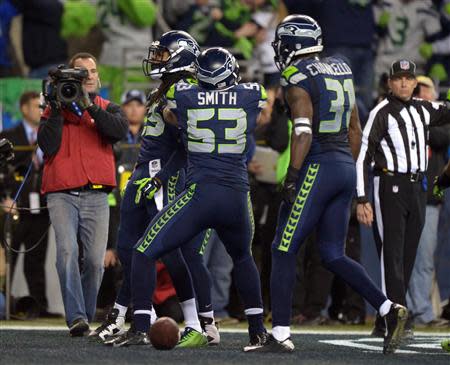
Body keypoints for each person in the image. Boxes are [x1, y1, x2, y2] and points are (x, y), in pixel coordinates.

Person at [248, 15, 408, 355]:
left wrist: (293, 176)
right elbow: (355, 130)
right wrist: (345, 171)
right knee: (333, 253)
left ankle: (279, 334)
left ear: (293, 44)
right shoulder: (341, 68)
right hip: (344, 166)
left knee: (282, 248)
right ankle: (387, 309)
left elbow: (303, 132)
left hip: (318, 164)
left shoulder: (296, 76)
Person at [118, 47, 268, 351]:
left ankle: (141, 328)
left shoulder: (184, 95)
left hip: (200, 194)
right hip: (237, 195)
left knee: (145, 251)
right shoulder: (252, 93)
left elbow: (170, 114)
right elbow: (262, 112)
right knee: (243, 258)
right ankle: (257, 331)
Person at [91, 31, 217, 348]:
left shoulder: (183, 90)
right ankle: (120, 316)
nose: (156, 59)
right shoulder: (166, 89)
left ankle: (192, 322)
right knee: (130, 251)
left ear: (180, 55)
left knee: (168, 255)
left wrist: (161, 178)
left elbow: (187, 145)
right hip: (142, 176)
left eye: (162, 54)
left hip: (159, 179)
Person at [356, 60, 450, 337]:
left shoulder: (423, 108)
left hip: (417, 188)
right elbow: (363, 156)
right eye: (399, 79)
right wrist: (362, 198)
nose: (405, 83)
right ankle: (394, 317)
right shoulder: (380, 113)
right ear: (390, 83)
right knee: (391, 254)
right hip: (389, 185)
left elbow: (447, 110)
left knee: (407, 254)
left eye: (409, 79)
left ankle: (385, 315)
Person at [37, 52, 128, 336]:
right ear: (69, 76)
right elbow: (48, 147)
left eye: (91, 70)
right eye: (80, 72)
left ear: (98, 76)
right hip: (61, 192)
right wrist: (53, 106)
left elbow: (117, 132)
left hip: (97, 195)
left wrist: (89, 107)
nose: (87, 75)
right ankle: (77, 317)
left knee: (93, 260)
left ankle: (85, 316)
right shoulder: (54, 110)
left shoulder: (108, 108)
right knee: (67, 251)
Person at [0, 91, 52, 317]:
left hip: (40, 207)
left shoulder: (49, 135)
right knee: (8, 257)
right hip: (13, 207)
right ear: (23, 109)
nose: (40, 110)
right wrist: (3, 199)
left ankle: (40, 308)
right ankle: (4, 303)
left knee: (37, 260)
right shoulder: (9, 136)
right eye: (35, 106)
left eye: (42, 106)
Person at [406, 76, 450, 328]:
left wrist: (417, 119)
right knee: (403, 256)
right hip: (404, 194)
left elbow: (441, 138)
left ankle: (421, 312)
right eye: (417, 89)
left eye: (426, 90)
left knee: (422, 258)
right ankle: (407, 310)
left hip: (430, 199)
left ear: (434, 94)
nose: (421, 94)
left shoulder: (442, 119)